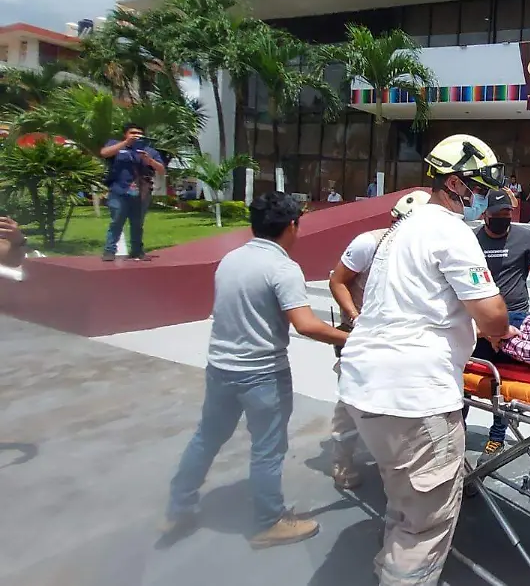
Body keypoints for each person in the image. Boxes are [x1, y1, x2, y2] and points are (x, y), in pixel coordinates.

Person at [338, 134, 513, 586]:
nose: (485, 199)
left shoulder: (399, 231)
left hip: (364, 386)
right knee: (425, 524)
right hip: (414, 395)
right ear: (454, 184)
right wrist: (498, 328)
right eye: (480, 188)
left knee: (403, 498)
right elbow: (492, 313)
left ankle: (390, 567)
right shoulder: (450, 231)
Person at [163, 192, 350, 548]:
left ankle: (178, 508)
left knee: (206, 438)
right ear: (292, 226)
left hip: (220, 367)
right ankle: (269, 522)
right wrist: (352, 338)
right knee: (268, 448)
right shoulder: (283, 268)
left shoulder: (231, 259)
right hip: (262, 373)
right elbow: (305, 325)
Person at [326, 191, 432, 489]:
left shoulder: (422, 250)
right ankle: (342, 459)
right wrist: (355, 317)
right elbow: (337, 281)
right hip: (360, 333)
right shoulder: (368, 243)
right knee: (352, 399)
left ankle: (400, 462)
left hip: (400, 337)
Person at [473, 189, 530, 460]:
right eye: (497, 214)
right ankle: (457, 429)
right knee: (467, 377)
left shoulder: (525, 238)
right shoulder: (472, 241)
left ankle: (497, 437)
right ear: (485, 215)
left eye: (507, 213)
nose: (503, 218)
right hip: (478, 320)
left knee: (504, 382)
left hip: (514, 319)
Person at [99, 123, 165, 261]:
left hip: (141, 193)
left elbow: (161, 170)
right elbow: (104, 153)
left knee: (137, 223)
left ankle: (137, 251)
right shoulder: (116, 145)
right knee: (117, 221)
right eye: (133, 133)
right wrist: (125, 143)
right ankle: (109, 251)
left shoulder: (149, 150)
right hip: (119, 190)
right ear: (126, 134)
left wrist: (149, 160)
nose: (136, 136)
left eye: (139, 133)